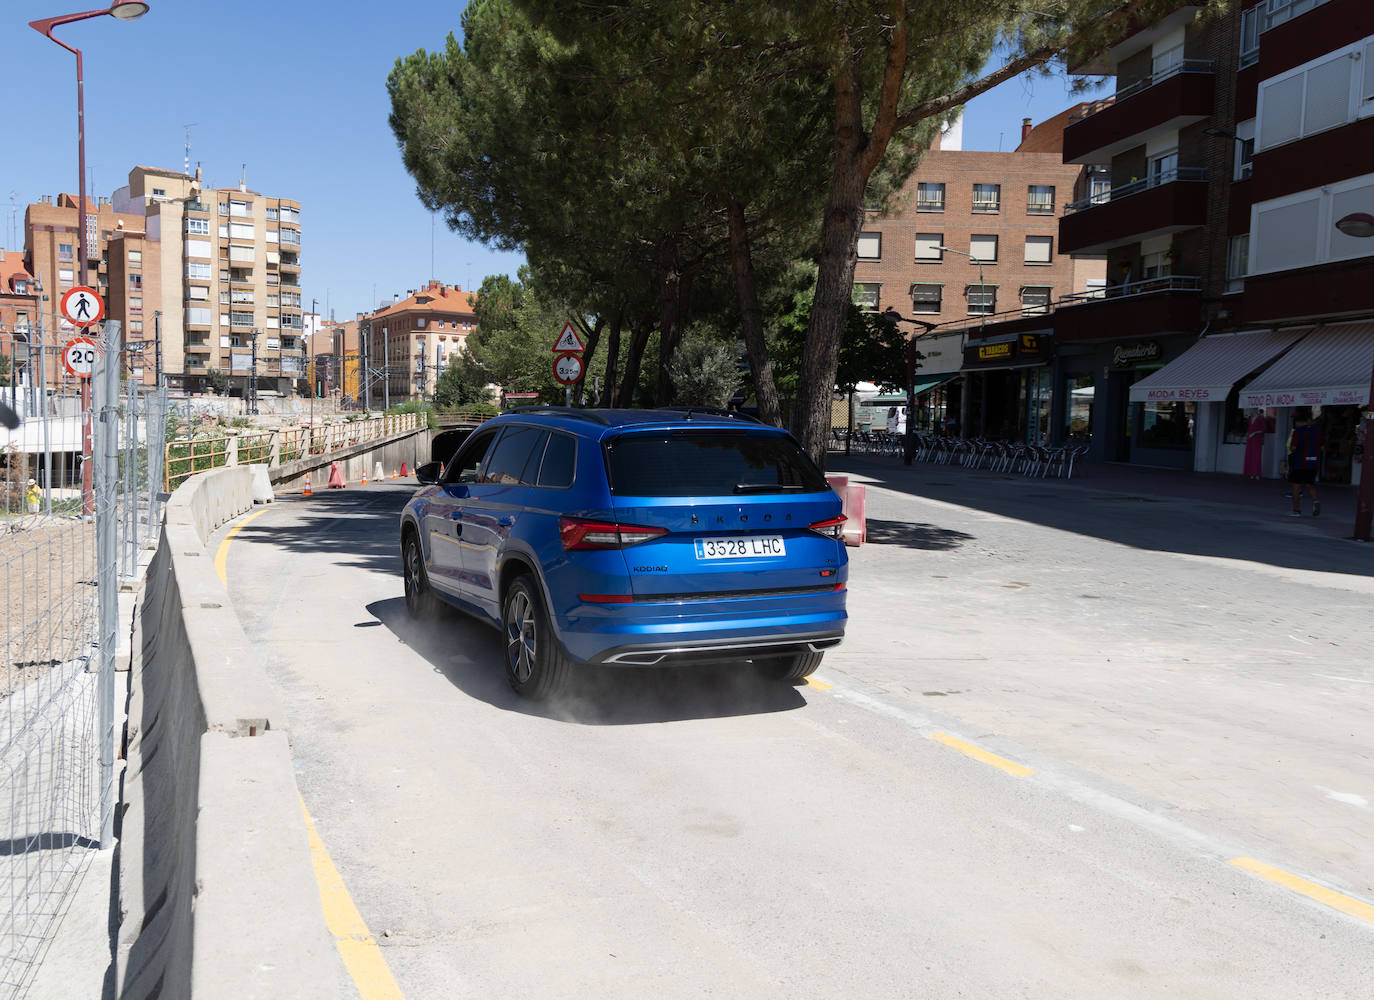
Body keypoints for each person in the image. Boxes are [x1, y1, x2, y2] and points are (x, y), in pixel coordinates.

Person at [1287, 409, 1324, 517]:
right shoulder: (1318, 431)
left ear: (1299, 422)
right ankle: (1315, 500)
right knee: (1310, 484)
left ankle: (1296, 510)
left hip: (1300, 463)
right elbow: (1322, 447)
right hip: (1312, 463)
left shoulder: (1298, 432)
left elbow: (1293, 447)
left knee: (1296, 487)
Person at [1243, 408, 1266, 479]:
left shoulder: (1260, 418)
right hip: (1250, 438)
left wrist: (1255, 433)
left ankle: (1257, 473)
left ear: (1255, 410)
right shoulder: (1250, 419)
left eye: (1251, 410)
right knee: (1250, 455)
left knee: (1256, 456)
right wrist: (1247, 433)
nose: (1250, 412)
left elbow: (1264, 429)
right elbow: (1250, 428)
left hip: (1256, 439)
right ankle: (1251, 473)